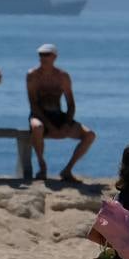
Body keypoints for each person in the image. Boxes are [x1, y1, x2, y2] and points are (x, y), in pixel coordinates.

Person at [27, 43, 96, 183]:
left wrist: (66, 123)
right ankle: (42, 166)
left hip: (59, 116)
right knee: (37, 127)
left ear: (54, 57)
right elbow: (33, 104)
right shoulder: (32, 75)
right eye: (41, 54)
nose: (43, 57)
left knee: (89, 135)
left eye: (46, 54)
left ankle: (68, 169)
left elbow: (71, 103)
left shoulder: (62, 76)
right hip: (39, 115)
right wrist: (50, 126)